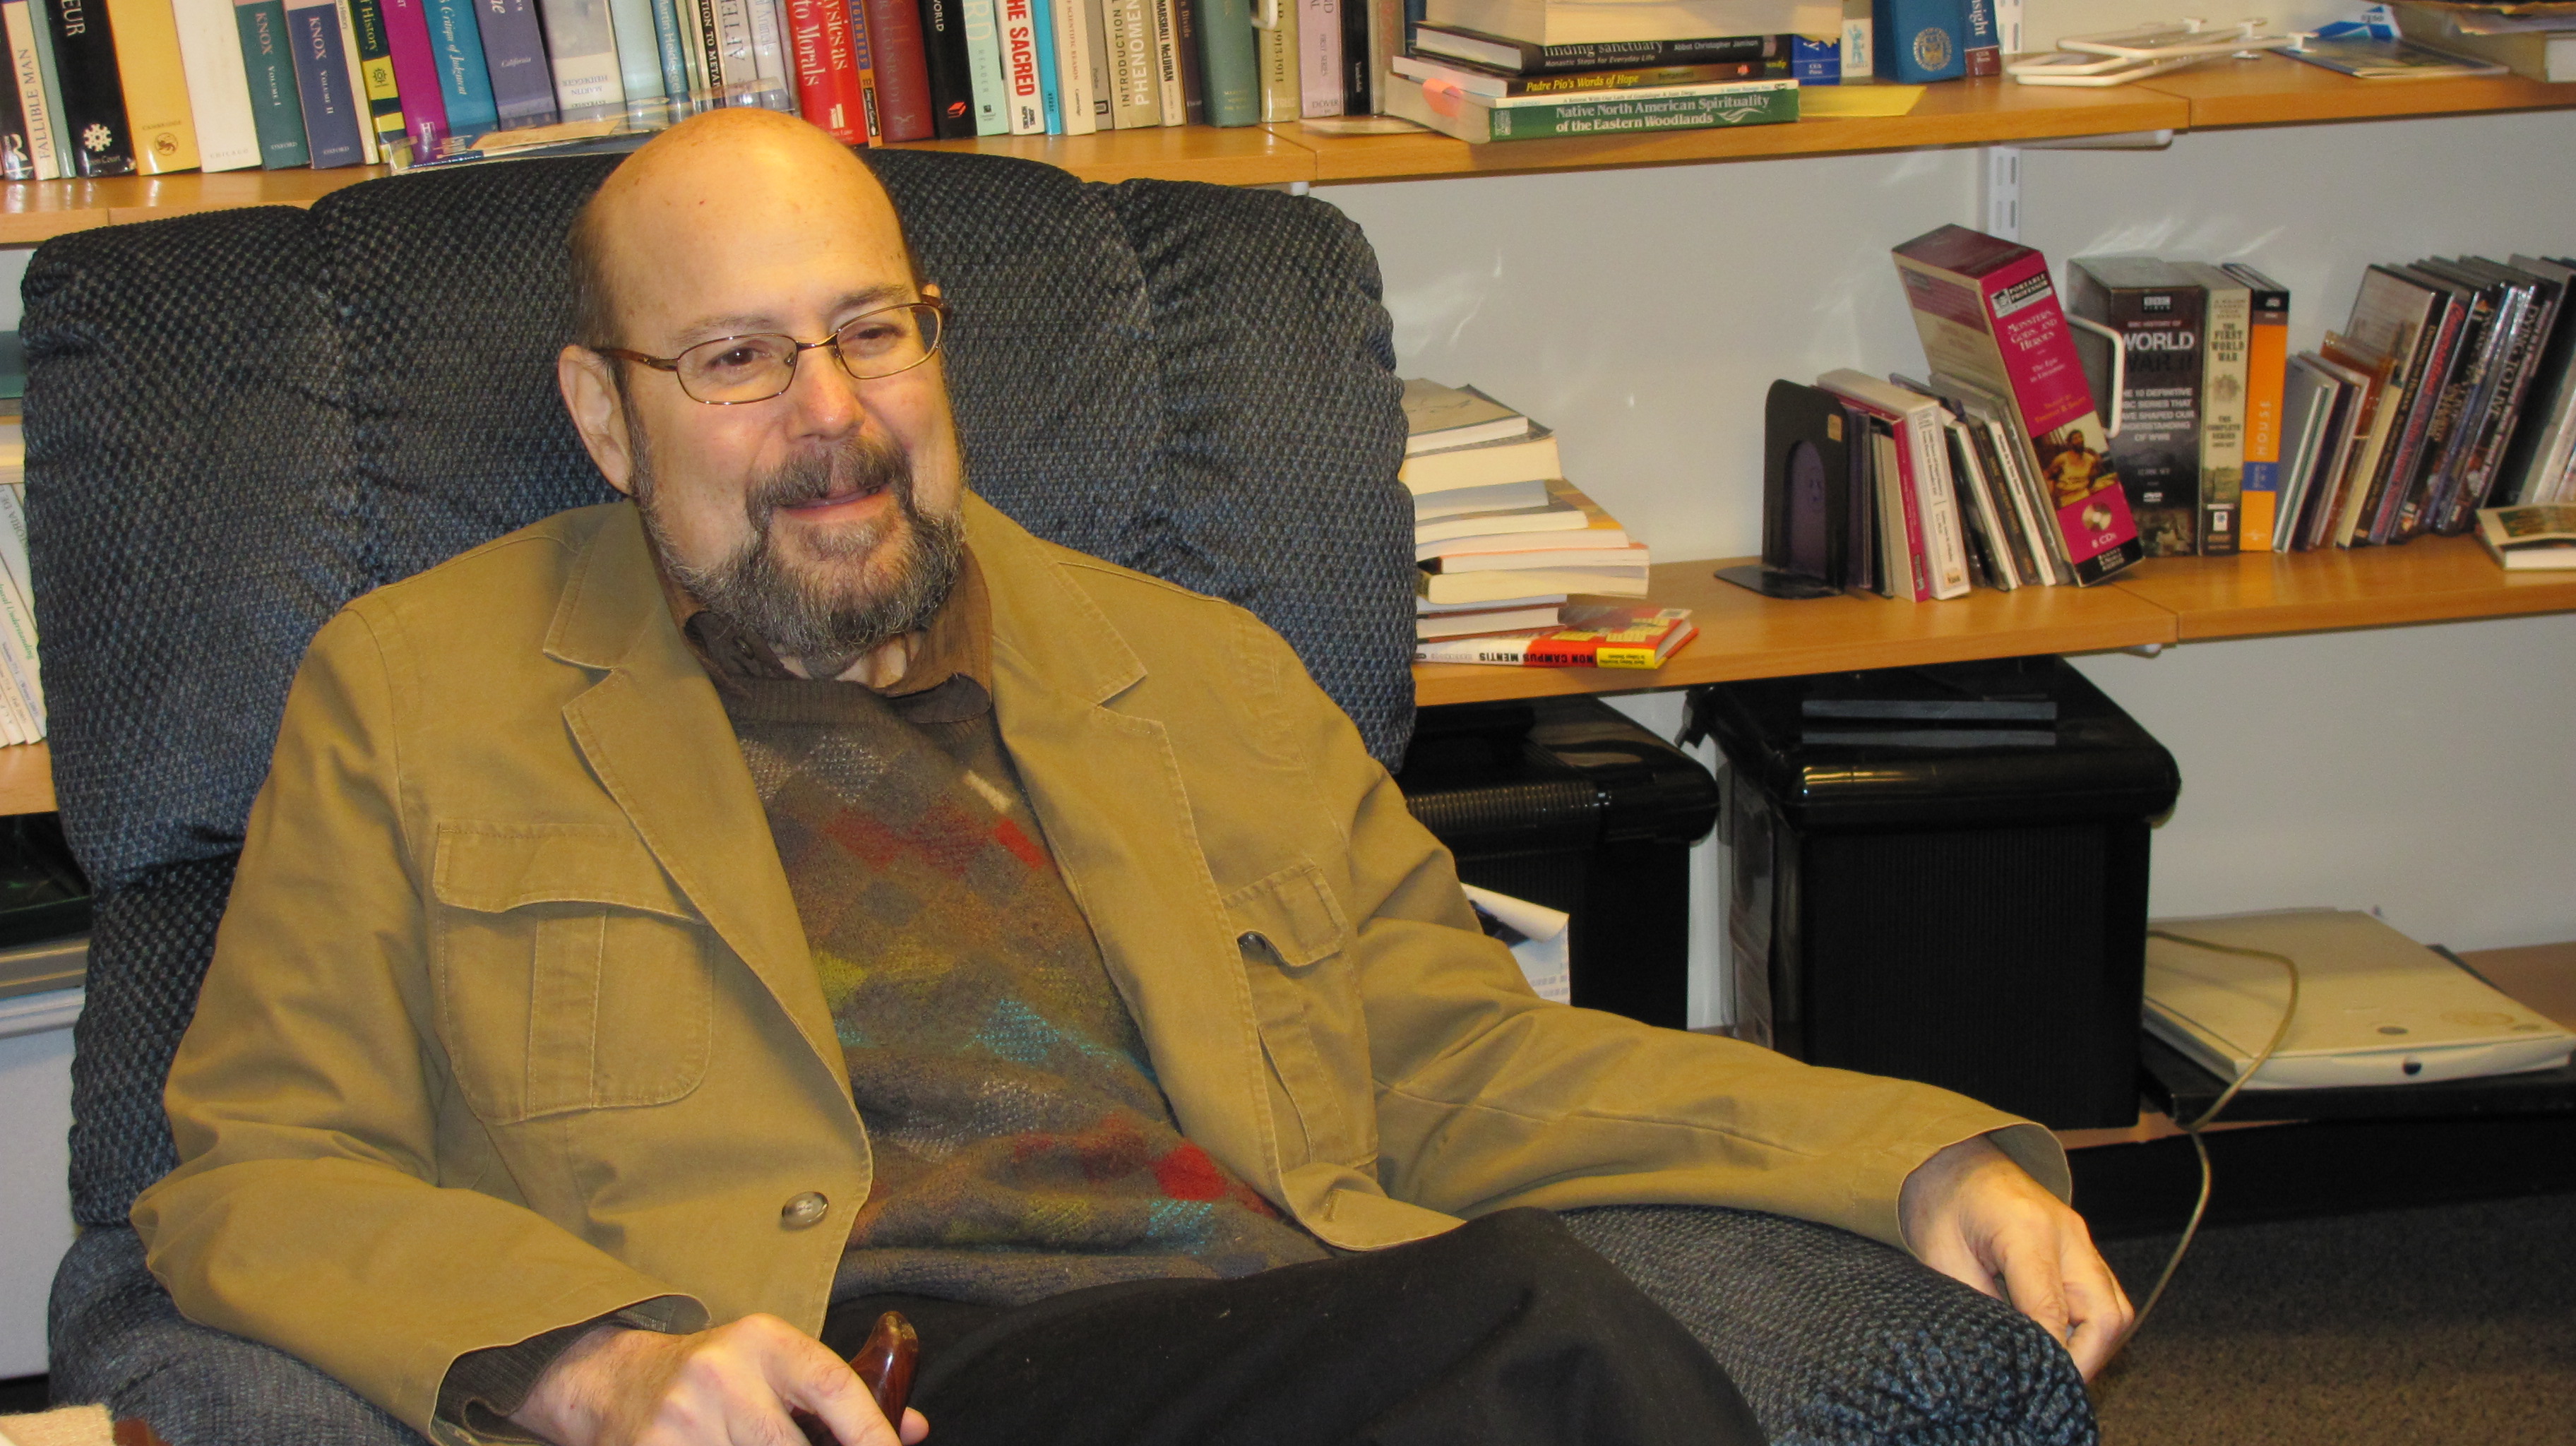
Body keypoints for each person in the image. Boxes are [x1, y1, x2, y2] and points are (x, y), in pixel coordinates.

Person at [132, 107, 2130, 1446]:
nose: (831, 421)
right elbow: (257, 1176)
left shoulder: (1200, 677)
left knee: (1503, 1320)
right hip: (874, 1381)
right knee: (1540, 1335)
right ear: (602, 413)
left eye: (870, 335)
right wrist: (600, 1365)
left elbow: (1468, 1064)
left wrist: (1912, 1154)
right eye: (734, 363)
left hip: (1253, 1350)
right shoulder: (417, 695)